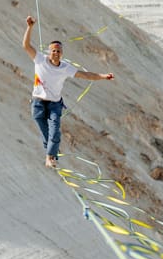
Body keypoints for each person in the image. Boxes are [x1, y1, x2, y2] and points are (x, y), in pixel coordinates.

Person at [22, 15, 114, 168]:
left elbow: (86, 75)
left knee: (55, 130)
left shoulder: (66, 68)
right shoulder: (40, 60)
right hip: (37, 102)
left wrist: (103, 76)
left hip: (54, 105)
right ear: (49, 51)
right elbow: (26, 46)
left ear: (62, 53)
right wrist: (30, 27)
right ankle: (50, 154)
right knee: (45, 131)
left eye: (58, 51)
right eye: (53, 50)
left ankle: (50, 157)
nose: (56, 53)